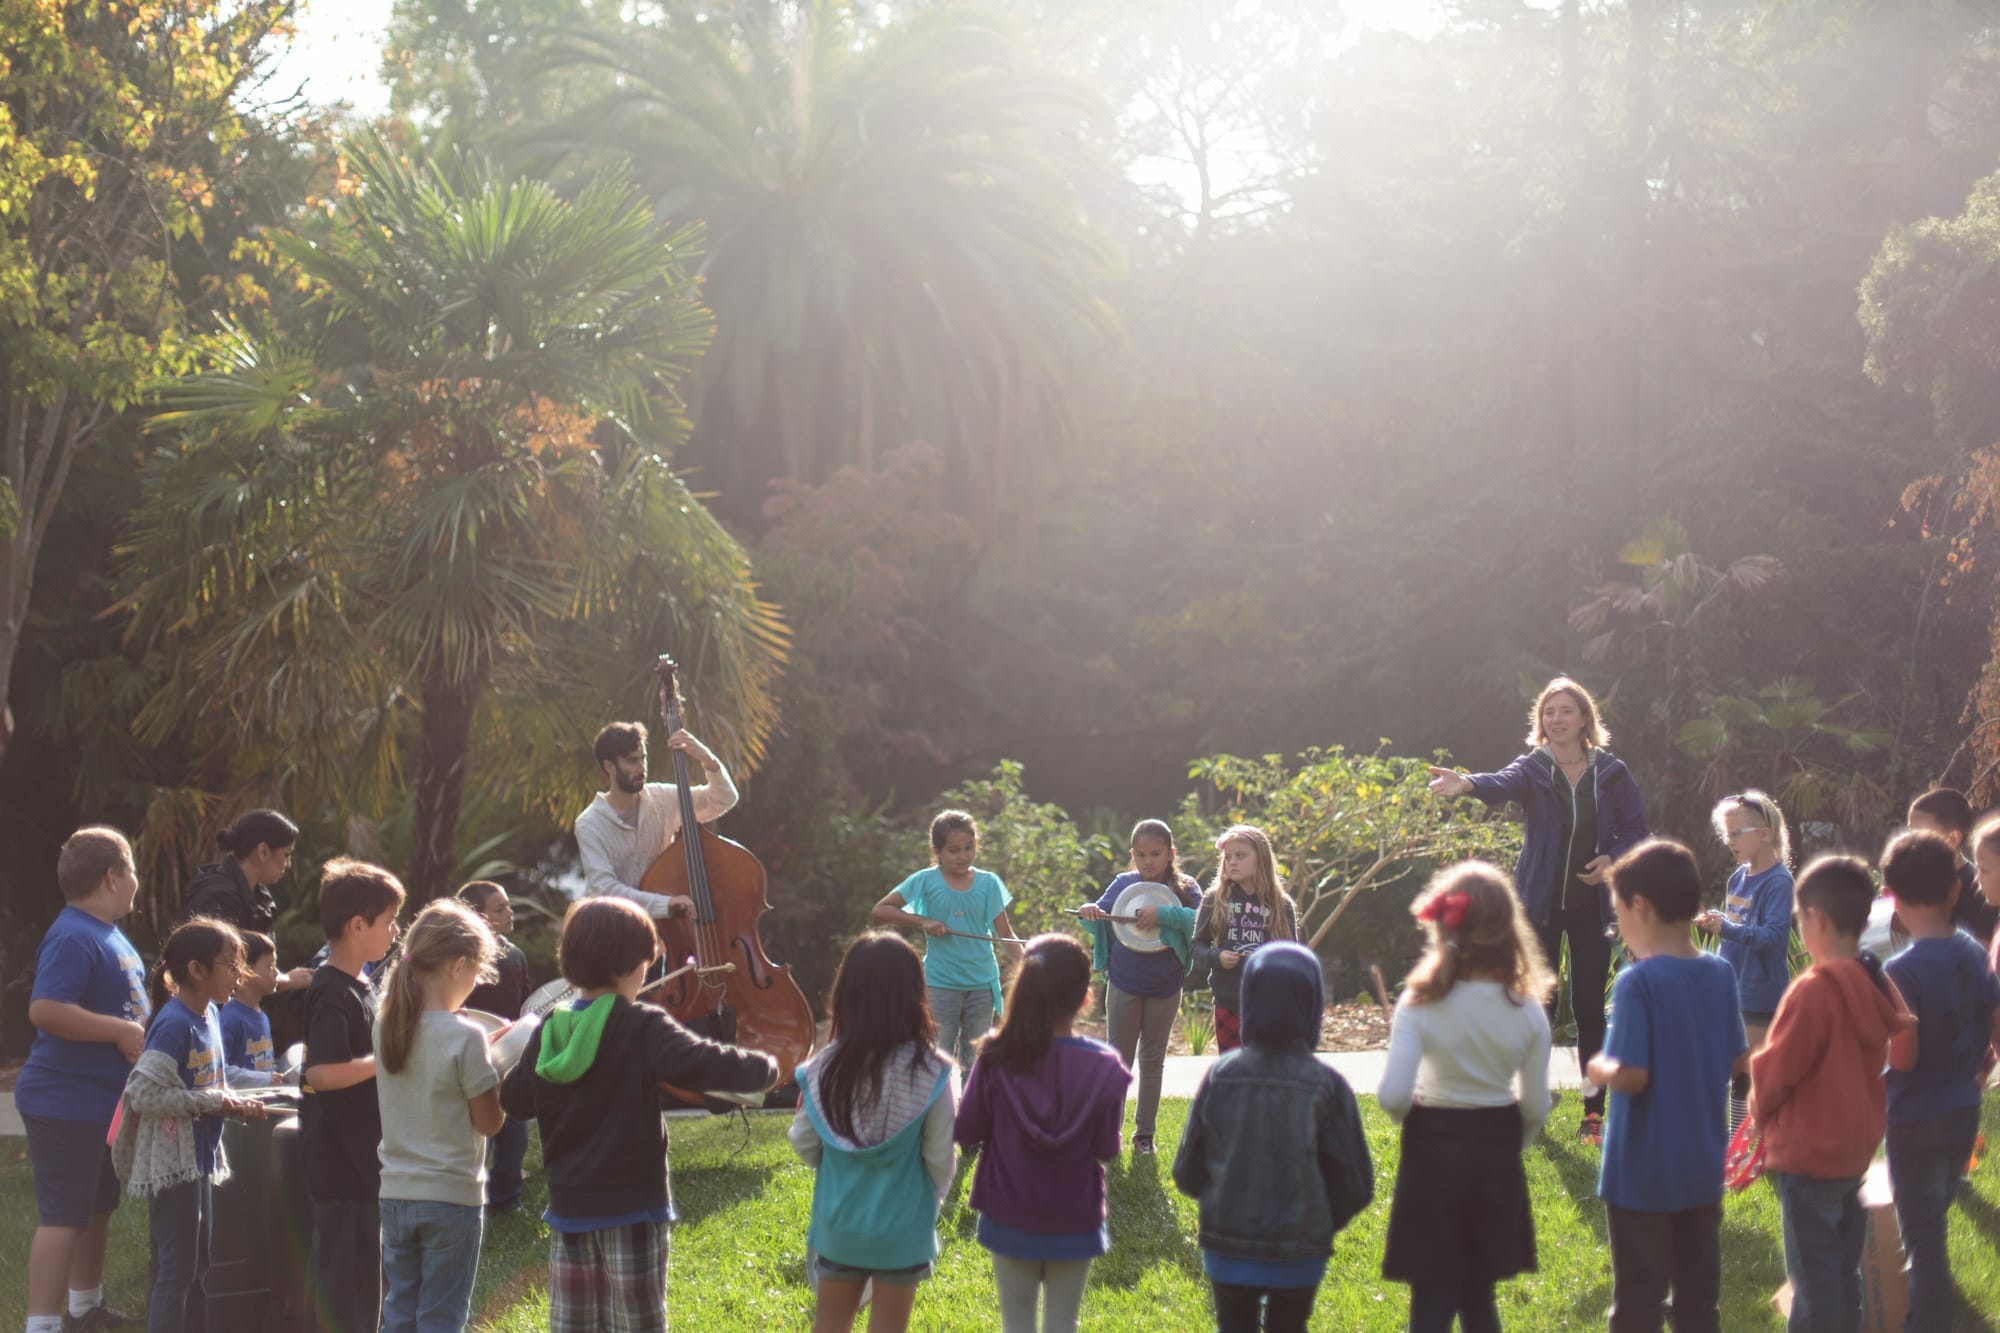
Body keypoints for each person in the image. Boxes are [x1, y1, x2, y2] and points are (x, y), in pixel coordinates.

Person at [502, 896, 776, 1333]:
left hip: (570, 1208)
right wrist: (765, 1068)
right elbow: (702, 1062)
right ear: (632, 964)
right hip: (632, 1207)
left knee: (574, 1324)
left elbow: (514, 1101)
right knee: (639, 1322)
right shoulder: (640, 1024)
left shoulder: (551, 1029)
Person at [1427, 677, 1649, 1144]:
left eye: (1566, 710)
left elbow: (1635, 829)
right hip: (1539, 907)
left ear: (1584, 718)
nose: (1557, 718)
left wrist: (1612, 858)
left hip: (1593, 910)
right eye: (1549, 712)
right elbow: (1501, 783)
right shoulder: (1534, 767)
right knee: (1535, 1009)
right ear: (1540, 721)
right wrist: (1467, 783)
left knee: (1590, 1010)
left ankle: (1593, 1114)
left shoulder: (1611, 772)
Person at [1378, 863, 1554, 1333]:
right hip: (1496, 1152)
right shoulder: (1527, 1009)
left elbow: (1393, 1096)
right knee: (1479, 1295)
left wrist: (1414, 1111)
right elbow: (1536, 1106)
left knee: (1431, 1297)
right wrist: (1516, 1141)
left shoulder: (1420, 1002)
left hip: (1432, 1152)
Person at [1586, 839, 1747, 1333]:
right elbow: (1739, 1061)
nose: (1619, 929)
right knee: (1698, 1302)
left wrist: (1601, 1068)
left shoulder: (1638, 981)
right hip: (1701, 1168)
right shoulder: (1720, 973)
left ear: (1640, 906)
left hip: (1641, 1174)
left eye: (1619, 917)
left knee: (1638, 1302)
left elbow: (1633, 1076)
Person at [1749, 855, 1915, 1333]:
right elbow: (1901, 1039)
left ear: (1816, 920)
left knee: (1813, 1283)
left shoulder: (1813, 991)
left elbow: (1778, 1068)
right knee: (1843, 1272)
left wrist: (1758, 1110)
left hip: (1808, 1159)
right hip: (1852, 1153)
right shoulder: (1875, 979)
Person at [1172, 941, 1374, 1333]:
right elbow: (1355, 1184)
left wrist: (1221, 1201)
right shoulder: (1328, 1085)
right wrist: (1320, 1222)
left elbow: (1187, 1171)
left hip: (1226, 1246)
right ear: (1312, 1005)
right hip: (1300, 1253)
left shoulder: (1221, 1076)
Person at [954, 934, 1130, 1333]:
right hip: (1076, 1213)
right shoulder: (1105, 1066)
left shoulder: (996, 1055)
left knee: (1016, 1323)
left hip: (1008, 1210)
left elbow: (966, 1130)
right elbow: (1107, 1148)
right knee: (1063, 1323)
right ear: (1085, 997)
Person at [18, 827, 152, 1333]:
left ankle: (84, 1309)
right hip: (66, 1099)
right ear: (112, 877)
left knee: (96, 1207)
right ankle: (42, 1325)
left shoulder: (106, 932)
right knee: (64, 1215)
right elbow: (46, 1009)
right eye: (133, 869)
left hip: (102, 1101)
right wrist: (121, 1030)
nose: (137, 880)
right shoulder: (73, 935)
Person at [791, 933, 957, 1333]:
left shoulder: (822, 1068)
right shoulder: (932, 1070)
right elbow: (940, 1156)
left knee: (830, 1324)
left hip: (839, 1222)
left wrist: (833, 1161)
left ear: (845, 993)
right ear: (915, 994)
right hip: (904, 1226)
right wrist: (933, 1199)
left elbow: (803, 1140)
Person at [114, 917, 267, 1333]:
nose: (239, 975)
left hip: (198, 1160)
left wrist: (240, 1101)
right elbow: (143, 1094)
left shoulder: (211, 1015)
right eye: (230, 964)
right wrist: (213, 1102)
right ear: (197, 970)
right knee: (176, 1272)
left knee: (198, 1268)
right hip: (173, 1164)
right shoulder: (174, 1024)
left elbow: (213, 1083)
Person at [1878, 829, 2000, 1331]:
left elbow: (1901, 1058)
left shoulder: (1899, 970)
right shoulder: (1974, 952)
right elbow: (1994, 1025)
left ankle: (1928, 1322)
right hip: (1962, 1111)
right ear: (1954, 891)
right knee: (1935, 1216)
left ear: (1893, 899)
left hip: (1913, 1118)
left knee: (1923, 1239)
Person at [375, 898, 507, 1333]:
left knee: (399, 1313)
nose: (474, 985)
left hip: (395, 1193)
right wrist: (497, 1071)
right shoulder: (466, 1037)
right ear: (458, 965)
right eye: (476, 975)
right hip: (451, 1196)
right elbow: (489, 1122)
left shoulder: (385, 1026)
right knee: (440, 1319)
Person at [300, 857, 405, 1333]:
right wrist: (383, 1061)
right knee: (343, 1281)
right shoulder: (331, 991)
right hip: (339, 1164)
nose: (396, 931)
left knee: (367, 1275)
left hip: (364, 1159)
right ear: (357, 925)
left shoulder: (362, 984)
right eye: (389, 921)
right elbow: (320, 1073)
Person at [1075, 818, 1200, 1153]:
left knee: (1153, 1059)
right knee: (1119, 1059)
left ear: (1170, 853)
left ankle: (1145, 1134)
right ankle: (1109, 1132)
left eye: (1156, 854)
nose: (1148, 861)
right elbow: (1100, 920)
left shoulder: (1185, 888)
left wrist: (1164, 914)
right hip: (1124, 983)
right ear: (1133, 854)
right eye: (1141, 854)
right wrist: (1090, 913)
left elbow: (1202, 922)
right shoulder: (1124, 884)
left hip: (1166, 986)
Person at [871, 810, 1023, 1071]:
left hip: (982, 985)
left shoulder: (989, 883)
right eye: (953, 850)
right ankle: (940, 1099)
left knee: (975, 1061)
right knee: (936, 1059)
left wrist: (1027, 963)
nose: (962, 856)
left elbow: (1005, 933)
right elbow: (880, 910)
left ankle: (971, 1099)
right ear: (937, 851)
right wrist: (923, 921)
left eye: (968, 848)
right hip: (940, 984)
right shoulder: (925, 880)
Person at [1693, 791, 1795, 1133]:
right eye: (1726, 834)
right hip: (1732, 989)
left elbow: (1775, 936)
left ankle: (1752, 1140)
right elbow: (1738, 929)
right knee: (1731, 1069)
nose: (1730, 841)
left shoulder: (1778, 882)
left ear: (1764, 833)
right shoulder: (1737, 877)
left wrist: (1728, 928)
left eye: (1736, 833)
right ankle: (1738, 1141)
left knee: (1749, 1072)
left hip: (1760, 993)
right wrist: (1720, 922)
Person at [572, 720, 736, 922]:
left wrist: (708, 759)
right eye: (632, 761)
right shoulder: (589, 824)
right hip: (618, 931)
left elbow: (724, 799)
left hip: (670, 931)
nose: (642, 768)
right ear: (609, 766)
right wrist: (666, 904)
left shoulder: (661, 798)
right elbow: (605, 890)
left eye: (643, 758)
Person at [1188, 825, 1298, 1054]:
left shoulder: (1281, 904)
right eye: (1228, 857)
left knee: (1267, 1067)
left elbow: (1293, 957)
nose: (1232, 862)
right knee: (1233, 1067)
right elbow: (1196, 946)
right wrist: (1217, 956)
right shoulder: (1214, 899)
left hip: (1269, 1003)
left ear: (1262, 858)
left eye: (1240, 855)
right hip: (1228, 1001)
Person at [457, 880, 532, 1214]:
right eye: (499, 909)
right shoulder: (462, 957)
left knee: (514, 1132)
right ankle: (471, 1196)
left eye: (507, 906)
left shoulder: (515, 954)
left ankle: (507, 1197)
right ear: (478, 916)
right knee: (476, 1132)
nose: (509, 912)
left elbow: (524, 1004)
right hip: (473, 1055)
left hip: (509, 1056)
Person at [182, 809, 311, 994]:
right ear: (263, 851)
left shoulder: (257, 895)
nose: (288, 864)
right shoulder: (217, 897)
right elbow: (216, 968)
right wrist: (283, 981)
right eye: (286, 854)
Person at [1906, 787, 1998, 946]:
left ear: (1953, 838)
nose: (1910, 843)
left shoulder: (1981, 890)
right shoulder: (1925, 886)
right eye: (1910, 833)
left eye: (1920, 835)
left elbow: (1984, 954)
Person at [217, 931, 280, 1088]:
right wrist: (263, 1079)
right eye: (270, 966)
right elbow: (219, 1071)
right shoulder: (229, 1018)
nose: (276, 972)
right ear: (246, 970)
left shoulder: (262, 1015)